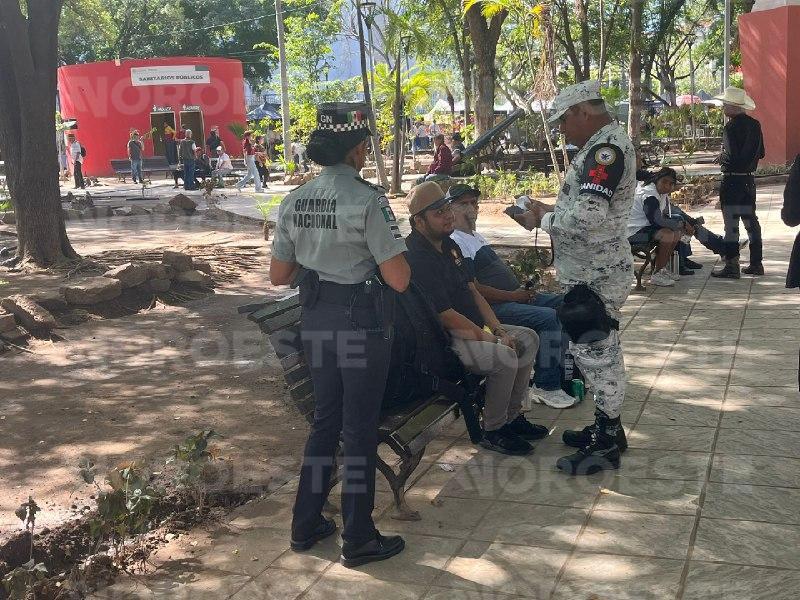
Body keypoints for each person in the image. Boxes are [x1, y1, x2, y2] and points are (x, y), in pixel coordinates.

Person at [270, 102, 410, 568]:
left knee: (325, 423)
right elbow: (399, 279)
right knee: (360, 427)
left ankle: (305, 524)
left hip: (316, 322)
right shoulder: (368, 200)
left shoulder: (294, 200)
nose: (367, 154)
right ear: (354, 151)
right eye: (365, 147)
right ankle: (359, 536)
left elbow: (279, 274)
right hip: (360, 324)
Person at [513, 81, 636, 475]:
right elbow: (589, 205)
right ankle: (607, 427)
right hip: (591, 269)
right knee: (597, 349)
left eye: (563, 119)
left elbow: (588, 218)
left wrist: (540, 219)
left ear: (584, 111)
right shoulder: (603, 145)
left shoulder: (606, 150)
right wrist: (550, 207)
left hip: (595, 273)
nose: (561, 128)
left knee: (598, 353)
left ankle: (606, 441)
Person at [405, 181, 547, 456]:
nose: (447, 215)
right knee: (504, 356)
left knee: (527, 338)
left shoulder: (449, 245)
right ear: (419, 221)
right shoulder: (415, 257)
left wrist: (497, 330)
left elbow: (472, 291)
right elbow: (445, 316)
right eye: (438, 212)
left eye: (447, 208)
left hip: (469, 329)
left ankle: (512, 417)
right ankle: (493, 430)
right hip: (442, 343)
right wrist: (492, 340)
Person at [447, 183, 576, 409]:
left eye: (473, 202)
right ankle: (546, 386)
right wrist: (514, 296)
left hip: (512, 298)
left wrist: (521, 294)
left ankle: (563, 373)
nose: (471, 208)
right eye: (463, 204)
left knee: (568, 304)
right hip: (493, 308)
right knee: (547, 318)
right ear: (450, 209)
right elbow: (475, 288)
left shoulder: (475, 236)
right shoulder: (457, 241)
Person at [711, 87, 765, 278]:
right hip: (749, 180)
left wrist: (723, 157)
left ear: (734, 106)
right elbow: (761, 153)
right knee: (751, 223)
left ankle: (732, 265)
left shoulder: (730, 127)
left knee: (731, 225)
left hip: (732, 180)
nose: (723, 107)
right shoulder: (755, 125)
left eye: (725, 104)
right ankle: (756, 263)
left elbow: (733, 157)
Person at [628, 169, 684, 286]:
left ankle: (662, 269)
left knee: (677, 233)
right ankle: (657, 275)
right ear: (657, 180)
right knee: (667, 234)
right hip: (633, 233)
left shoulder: (660, 193)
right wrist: (677, 225)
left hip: (645, 228)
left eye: (670, 184)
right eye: (664, 182)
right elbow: (656, 221)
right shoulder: (649, 195)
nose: (667, 186)